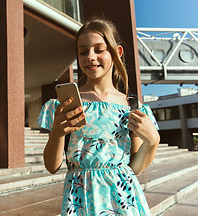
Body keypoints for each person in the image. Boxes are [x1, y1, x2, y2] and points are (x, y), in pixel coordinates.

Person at [37, 18, 160, 216]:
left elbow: (134, 168)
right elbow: (52, 166)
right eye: (83, 51)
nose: (90, 57)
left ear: (116, 52)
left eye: (99, 49)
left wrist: (153, 141)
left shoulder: (133, 107)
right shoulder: (62, 106)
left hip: (124, 201)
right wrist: (57, 133)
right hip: (81, 201)